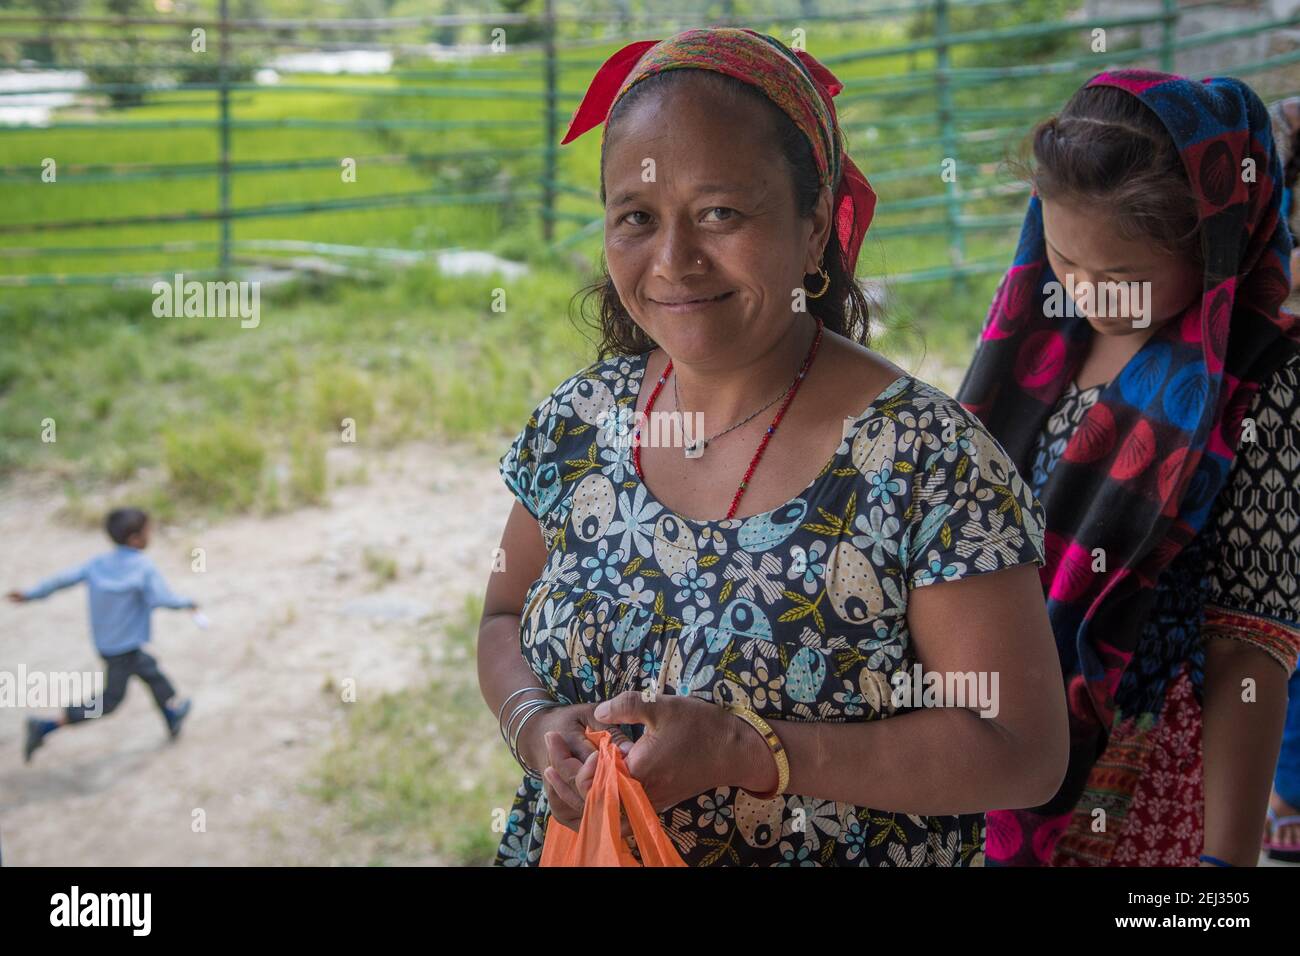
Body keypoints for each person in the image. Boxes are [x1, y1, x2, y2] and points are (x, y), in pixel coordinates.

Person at [480, 27, 1068, 867]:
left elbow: (1022, 750)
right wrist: (533, 723)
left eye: (721, 212)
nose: (675, 260)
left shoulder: (927, 462)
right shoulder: (583, 422)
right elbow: (503, 615)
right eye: (637, 218)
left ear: (815, 220)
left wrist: (750, 750)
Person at [957, 70, 1300, 866]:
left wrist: (1225, 866)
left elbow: (1251, 643)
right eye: (1066, 257)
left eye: (1122, 277)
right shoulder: (1032, 338)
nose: (1085, 294)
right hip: (994, 731)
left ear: (1213, 251)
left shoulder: (1261, 382)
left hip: (1143, 768)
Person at [8, 507, 197, 762]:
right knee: (110, 701)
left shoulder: (98, 564)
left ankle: (172, 714)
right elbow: (160, 599)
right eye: (148, 531)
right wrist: (187, 603)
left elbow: (61, 580)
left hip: (107, 644)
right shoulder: (142, 567)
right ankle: (47, 726)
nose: (151, 535)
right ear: (135, 539)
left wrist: (31, 594)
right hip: (125, 648)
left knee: (153, 674)